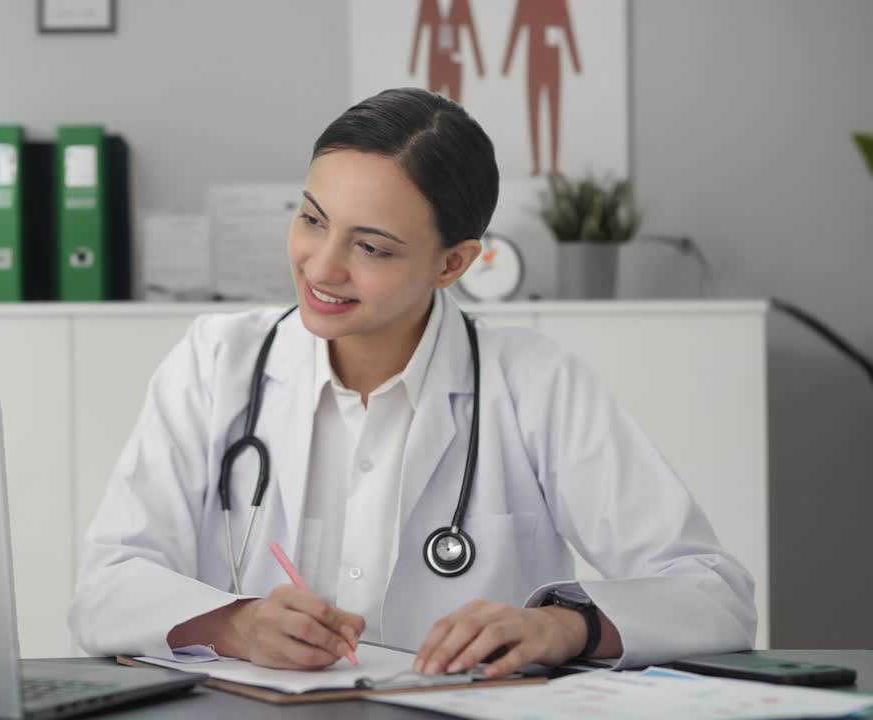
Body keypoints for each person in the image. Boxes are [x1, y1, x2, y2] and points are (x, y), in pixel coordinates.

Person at [71, 88, 755, 677]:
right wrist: (234, 624)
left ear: (454, 262)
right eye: (312, 219)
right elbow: (104, 587)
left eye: (370, 247)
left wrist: (566, 625)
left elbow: (714, 594)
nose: (323, 267)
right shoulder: (215, 363)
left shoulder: (534, 383)